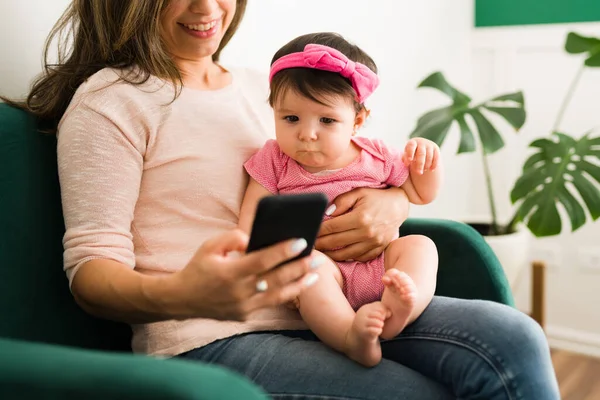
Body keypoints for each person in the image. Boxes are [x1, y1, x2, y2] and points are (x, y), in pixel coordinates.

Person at [4, 1, 560, 398]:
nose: (207, 8)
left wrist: (390, 202)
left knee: (514, 336)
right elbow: (90, 274)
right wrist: (185, 290)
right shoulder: (111, 103)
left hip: (341, 298)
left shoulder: (269, 85)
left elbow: (357, 166)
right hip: (215, 335)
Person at [238, 32, 442, 367]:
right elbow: (251, 226)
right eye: (291, 118)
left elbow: (422, 193)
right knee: (310, 271)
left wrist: (429, 159)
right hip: (322, 270)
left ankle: (399, 307)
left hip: (383, 264)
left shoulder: (376, 155)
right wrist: (276, 270)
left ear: (357, 120)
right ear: (273, 111)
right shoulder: (274, 159)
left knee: (421, 246)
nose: (307, 133)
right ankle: (351, 337)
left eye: (327, 120)